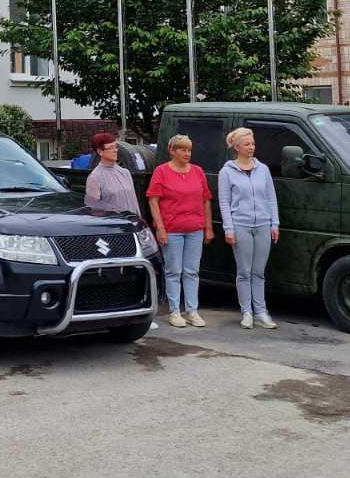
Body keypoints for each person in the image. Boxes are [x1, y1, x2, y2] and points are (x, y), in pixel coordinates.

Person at [146, 134, 212, 328]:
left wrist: (208, 227)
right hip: (172, 229)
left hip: (195, 228)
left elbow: (206, 200)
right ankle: (174, 311)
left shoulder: (197, 171)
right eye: (182, 149)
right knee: (174, 271)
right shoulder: (161, 171)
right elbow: (153, 201)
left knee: (192, 271)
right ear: (172, 151)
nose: (187, 153)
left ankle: (192, 310)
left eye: (189, 150)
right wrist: (160, 228)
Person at [220, 127, 280, 331]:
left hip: (262, 224)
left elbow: (271, 198)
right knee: (244, 271)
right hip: (240, 225)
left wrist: (274, 223)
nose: (251, 147)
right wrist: (229, 229)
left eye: (253, 143)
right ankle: (247, 312)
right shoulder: (227, 171)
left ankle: (261, 312)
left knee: (259, 272)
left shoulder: (263, 169)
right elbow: (224, 203)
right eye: (247, 144)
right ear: (237, 147)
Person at [84, 132, 139, 217]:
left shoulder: (125, 173)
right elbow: (93, 208)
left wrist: (140, 219)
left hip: (133, 222)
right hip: (114, 223)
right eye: (111, 148)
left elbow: (134, 201)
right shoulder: (95, 177)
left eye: (115, 147)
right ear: (100, 152)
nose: (115, 150)